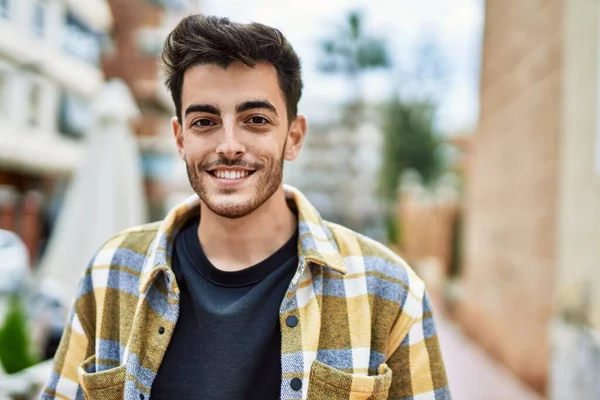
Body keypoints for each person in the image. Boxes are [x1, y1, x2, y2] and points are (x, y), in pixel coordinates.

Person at [42, 14, 449, 400]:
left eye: (255, 120)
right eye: (204, 121)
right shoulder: (112, 273)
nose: (229, 144)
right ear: (180, 138)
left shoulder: (388, 290)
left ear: (293, 136)